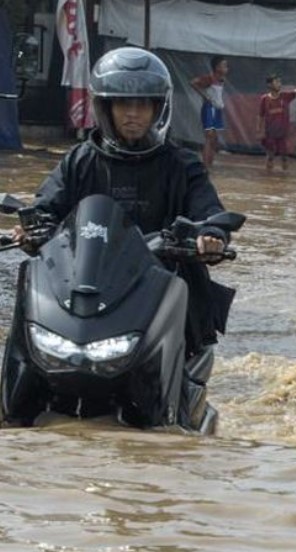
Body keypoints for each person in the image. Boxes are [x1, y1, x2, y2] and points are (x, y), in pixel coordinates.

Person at [10, 47, 234, 356]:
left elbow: (208, 210)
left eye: (143, 104)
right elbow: (47, 204)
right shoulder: (81, 159)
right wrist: (31, 229)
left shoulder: (182, 164)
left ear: (158, 109)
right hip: (85, 281)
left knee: (189, 347)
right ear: (106, 108)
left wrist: (211, 236)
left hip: (160, 279)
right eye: (123, 103)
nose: (132, 113)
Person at [257, 75, 296, 172]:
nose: (279, 84)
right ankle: (268, 179)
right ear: (269, 84)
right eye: (276, 82)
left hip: (282, 133)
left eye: (280, 82)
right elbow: (260, 116)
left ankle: (284, 178)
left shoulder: (285, 96)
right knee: (270, 156)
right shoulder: (264, 99)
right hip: (270, 133)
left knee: (284, 157)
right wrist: (259, 131)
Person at [190, 56, 229, 169]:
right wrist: (204, 96)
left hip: (217, 110)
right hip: (210, 108)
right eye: (224, 65)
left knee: (214, 139)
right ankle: (205, 166)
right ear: (217, 67)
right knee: (209, 137)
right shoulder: (210, 78)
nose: (227, 68)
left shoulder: (221, 79)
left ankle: (210, 164)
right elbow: (192, 82)